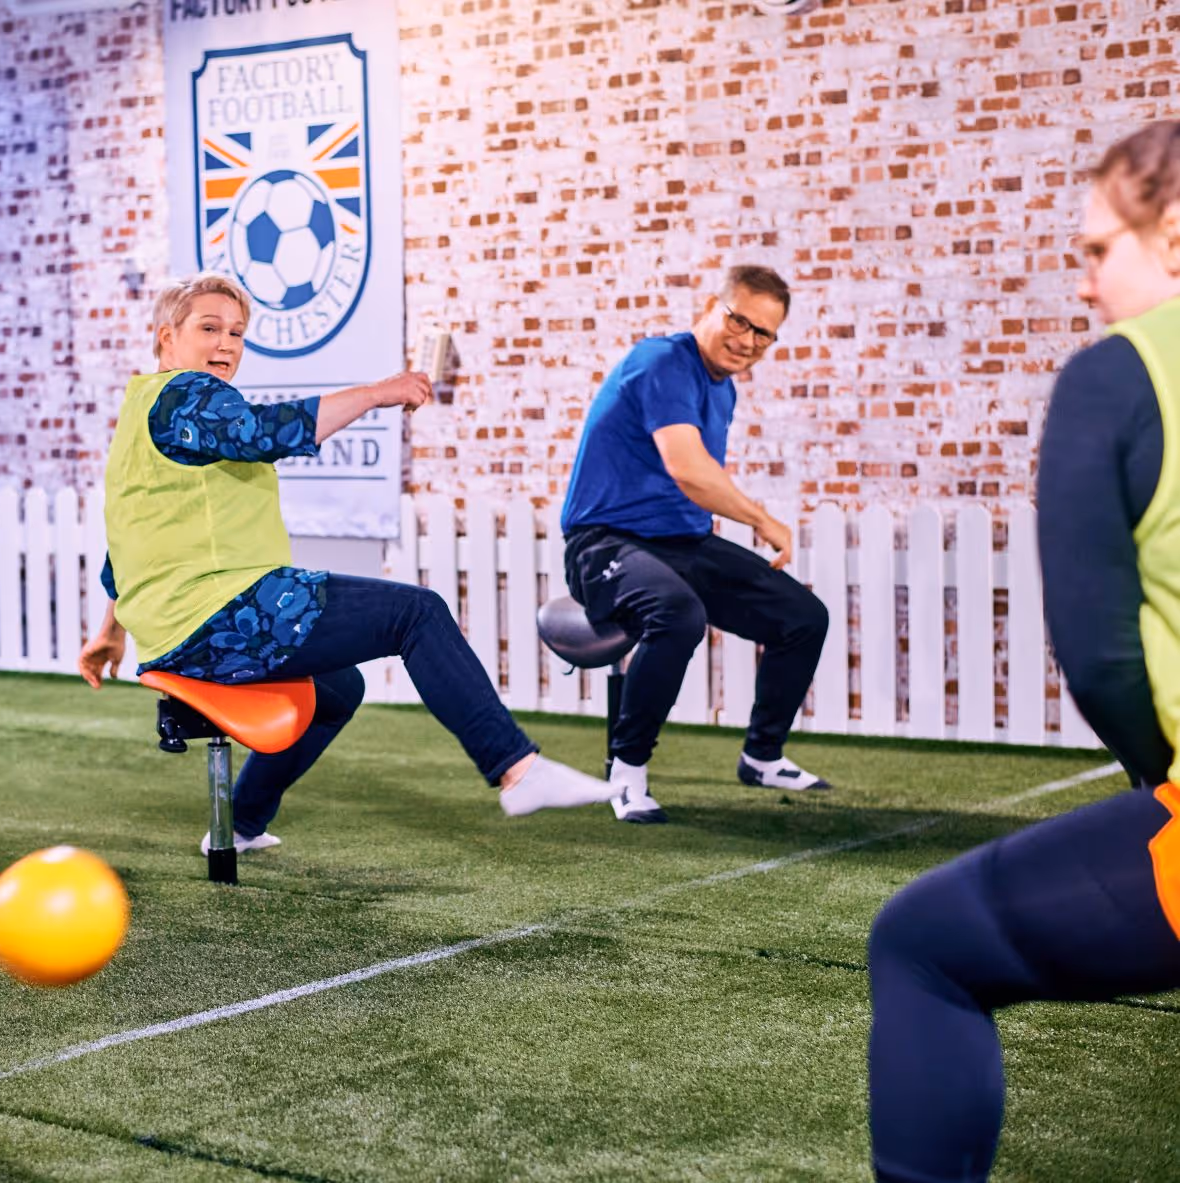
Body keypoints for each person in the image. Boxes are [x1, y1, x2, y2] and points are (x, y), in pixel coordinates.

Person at [866, 120, 1180, 1181]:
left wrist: (1156, 780)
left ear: (1171, 232)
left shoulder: (1116, 376)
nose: (1084, 284)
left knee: (920, 945)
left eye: (1096, 250)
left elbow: (1098, 655)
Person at [78, 273, 618, 851]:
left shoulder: (141, 412)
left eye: (237, 333)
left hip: (180, 630)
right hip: (217, 616)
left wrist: (111, 631)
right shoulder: (187, 393)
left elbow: (126, 542)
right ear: (166, 337)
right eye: (209, 328)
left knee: (337, 690)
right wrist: (377, 393)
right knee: (416, 613)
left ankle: (239, 826)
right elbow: (263, 432)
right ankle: (516, 769)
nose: (226, 344)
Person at [557, 264, 831, 824]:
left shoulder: (722, 388)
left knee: (803, 617)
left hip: (681, 544)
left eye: (763, 334)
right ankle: (626, 773)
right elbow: (689, 470)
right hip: (603, 543)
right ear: (709, 307)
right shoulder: (660, 361)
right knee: (679, 615)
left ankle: (762, 757)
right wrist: (761, 519)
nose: (747, 341)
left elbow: (693, 485)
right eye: (739, 321)